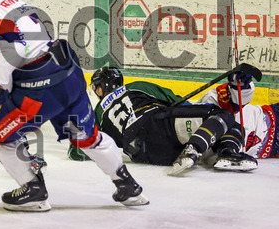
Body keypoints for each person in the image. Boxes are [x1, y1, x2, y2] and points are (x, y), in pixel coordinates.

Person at [0, 0, 146, 211]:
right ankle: (128, 186)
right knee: (86, 137)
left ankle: (33, 190)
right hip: (68, 76)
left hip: (39, 90)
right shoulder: (15, 1)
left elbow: (6, 52)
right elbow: (34, 41)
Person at [82, 66, 257, 175]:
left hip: (145, 154)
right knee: (222, 116)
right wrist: (195, 112)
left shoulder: (99, 113)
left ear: (101, 87)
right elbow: (175, 100)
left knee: (213, 130)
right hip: (157, 124)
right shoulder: (136, 87)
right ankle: (216, 151)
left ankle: (218, 153)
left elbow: (83, 148)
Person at [198, 70, 278, 163]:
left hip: (273, 119)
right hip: (271, 148)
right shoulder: (202, 148)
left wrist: (242, 85)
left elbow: (235, 99)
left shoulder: (209, 101)